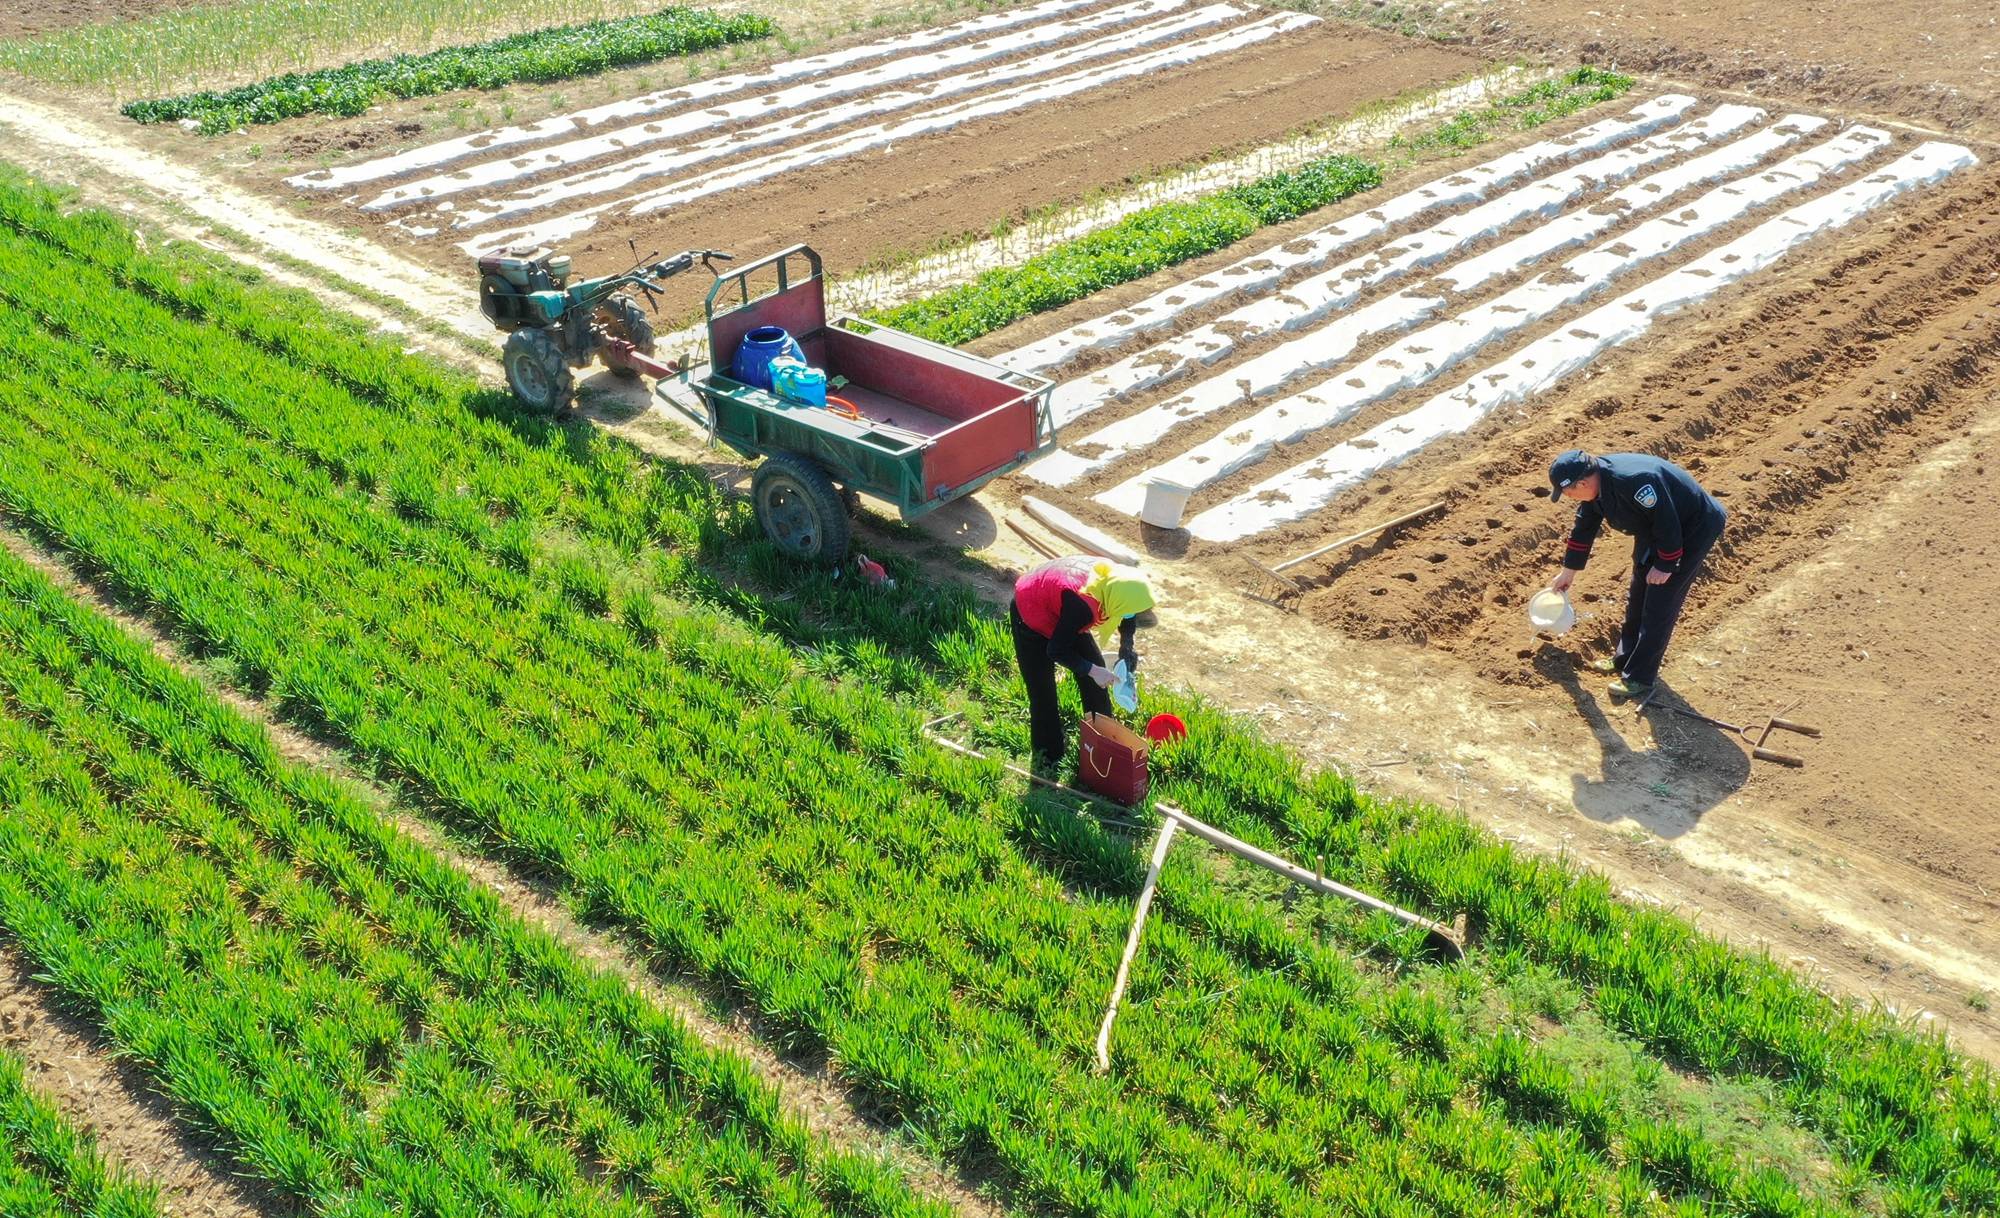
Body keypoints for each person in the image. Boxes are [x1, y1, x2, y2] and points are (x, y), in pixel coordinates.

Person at [1546, 449, 1727, 701]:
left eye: (1567, 492)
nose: (1567, 497)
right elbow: (1583, 528)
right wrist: (1568, 572)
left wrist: (1666, 564)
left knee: (1660, 603)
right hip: (1652, 526)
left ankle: (1640, 677)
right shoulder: (1597, 487)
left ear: (1584, 483)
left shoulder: (1635, 481)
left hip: (1692, 526)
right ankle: (1625, 658)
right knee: (1638, 592)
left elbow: (1668, 522)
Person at [1010, 555, 1158, 772]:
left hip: (1061, 607)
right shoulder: (1084, 606)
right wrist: (1092, 670)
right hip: (1031, 611)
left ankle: (1103, 744)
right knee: (1043, 692)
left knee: (1095, 683)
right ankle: (1049, 759)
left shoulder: (1116, 586)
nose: (1129, 615)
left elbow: (1128, 615)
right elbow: (1056, 650)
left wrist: (1126, 650)